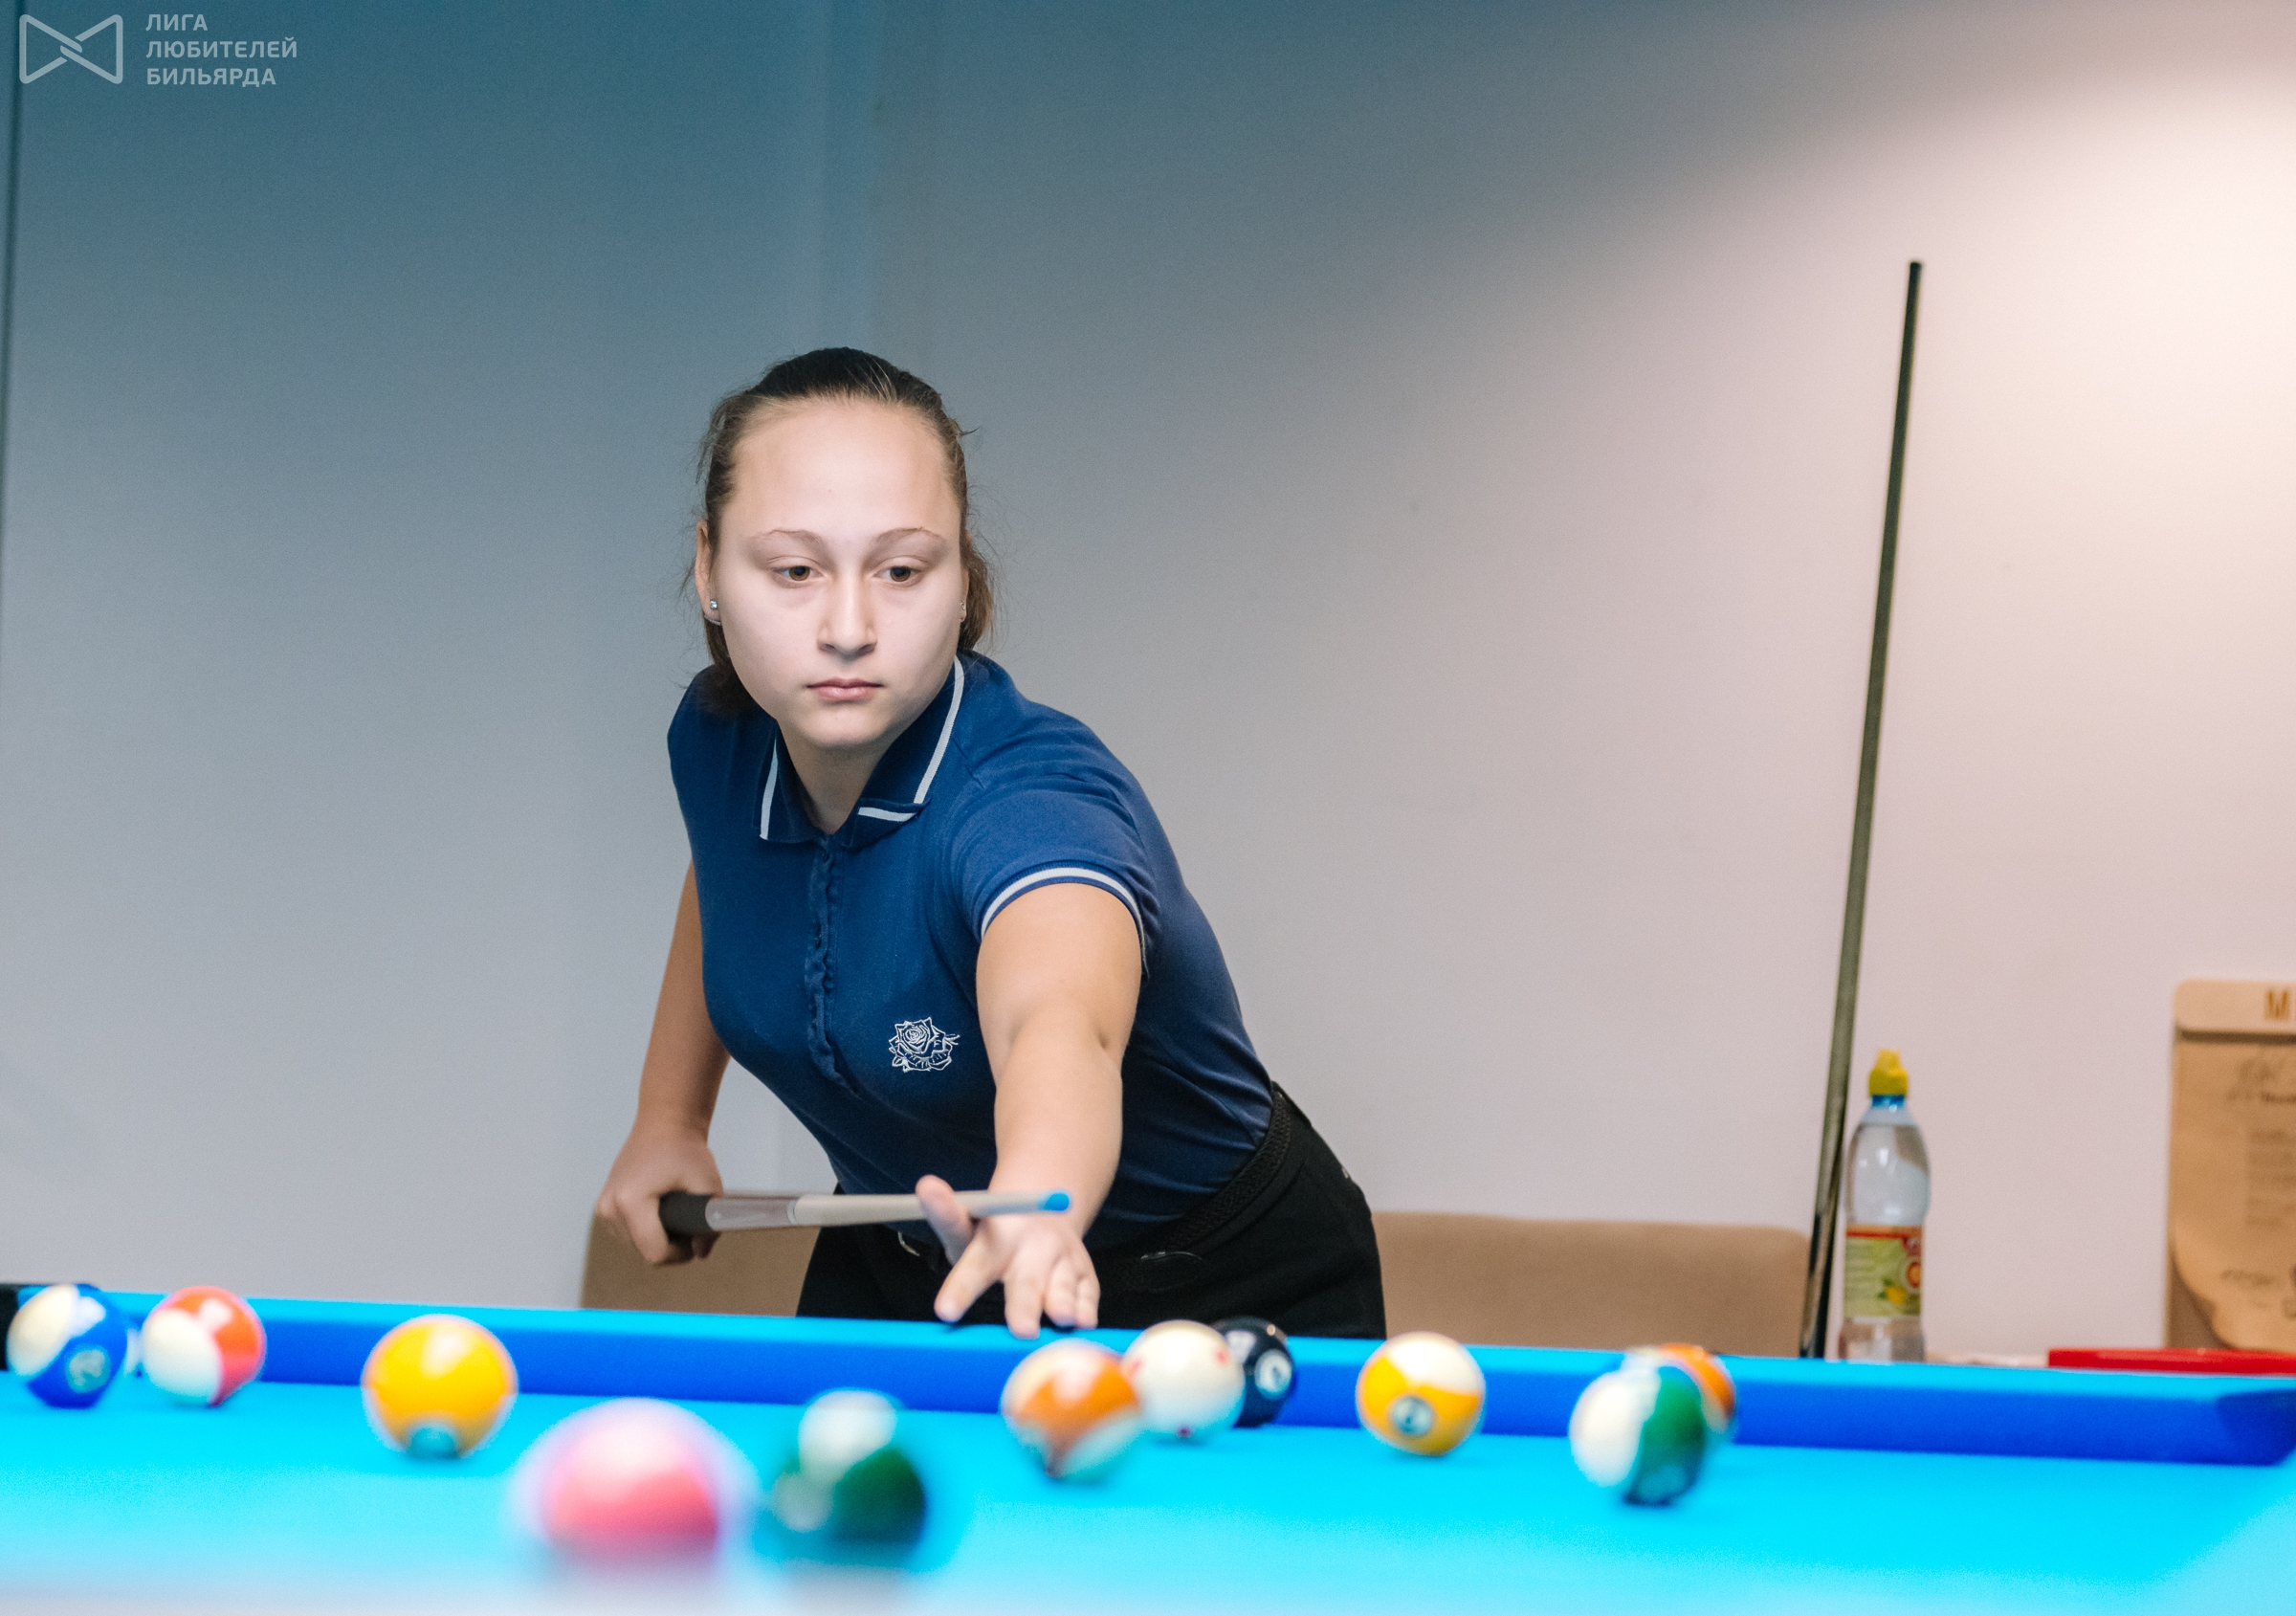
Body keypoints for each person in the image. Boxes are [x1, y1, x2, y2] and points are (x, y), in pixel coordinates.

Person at [594, 348, 1384, 1340]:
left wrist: (1039, 1197)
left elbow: (1060, 1022)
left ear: (962, 578)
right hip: (909, 1257)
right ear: (709, 567)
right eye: (794, 569)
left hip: (1211, 1284)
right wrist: (669, 1119)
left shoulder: (1029, 803)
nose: (848, 626)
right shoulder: (722, 742)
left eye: (901, 570)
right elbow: (729, 878)